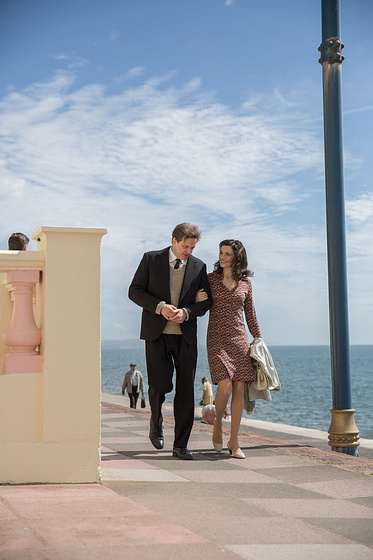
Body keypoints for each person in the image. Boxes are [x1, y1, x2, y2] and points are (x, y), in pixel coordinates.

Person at [128, 223, 212, 460]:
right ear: (173, 240)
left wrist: (186, 312)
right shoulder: (151, 259)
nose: (189, 251)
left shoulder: (199, 266)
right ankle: (156, 421)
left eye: (192, 247)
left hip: (186, 338)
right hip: (157, 335)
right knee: (160, 385)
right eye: (185, 246)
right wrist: (160, 307)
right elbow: (134, 291)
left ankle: (181, 445)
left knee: (185, 391)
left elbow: (206, 302)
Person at [196, 239, 261, 459]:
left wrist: (258, 339)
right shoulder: (210, 280)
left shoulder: (246, 284)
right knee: (224, 387)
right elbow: (202, 310)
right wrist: (197, 299)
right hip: (216, 339)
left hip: (239, 340)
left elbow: (250, 314)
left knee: (239, 389)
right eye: (221, 253)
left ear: (237, 258)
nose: (222, 257)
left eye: (227, 254)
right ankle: (216, 426)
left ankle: (234, 440)